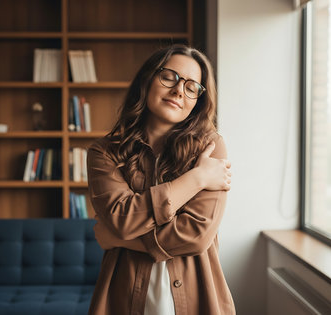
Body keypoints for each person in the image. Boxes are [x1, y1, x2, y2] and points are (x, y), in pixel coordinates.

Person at [87, 44, 235, 315]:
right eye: (169, 77)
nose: (179, 90)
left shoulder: (211, 147)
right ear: (147, 79)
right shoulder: (104, 151)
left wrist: (123, 239)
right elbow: (122, 218)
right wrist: (197, 179)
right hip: (123, 296)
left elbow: (195, 235)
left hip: (198, 298)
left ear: (198, 100)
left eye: (192, 87)